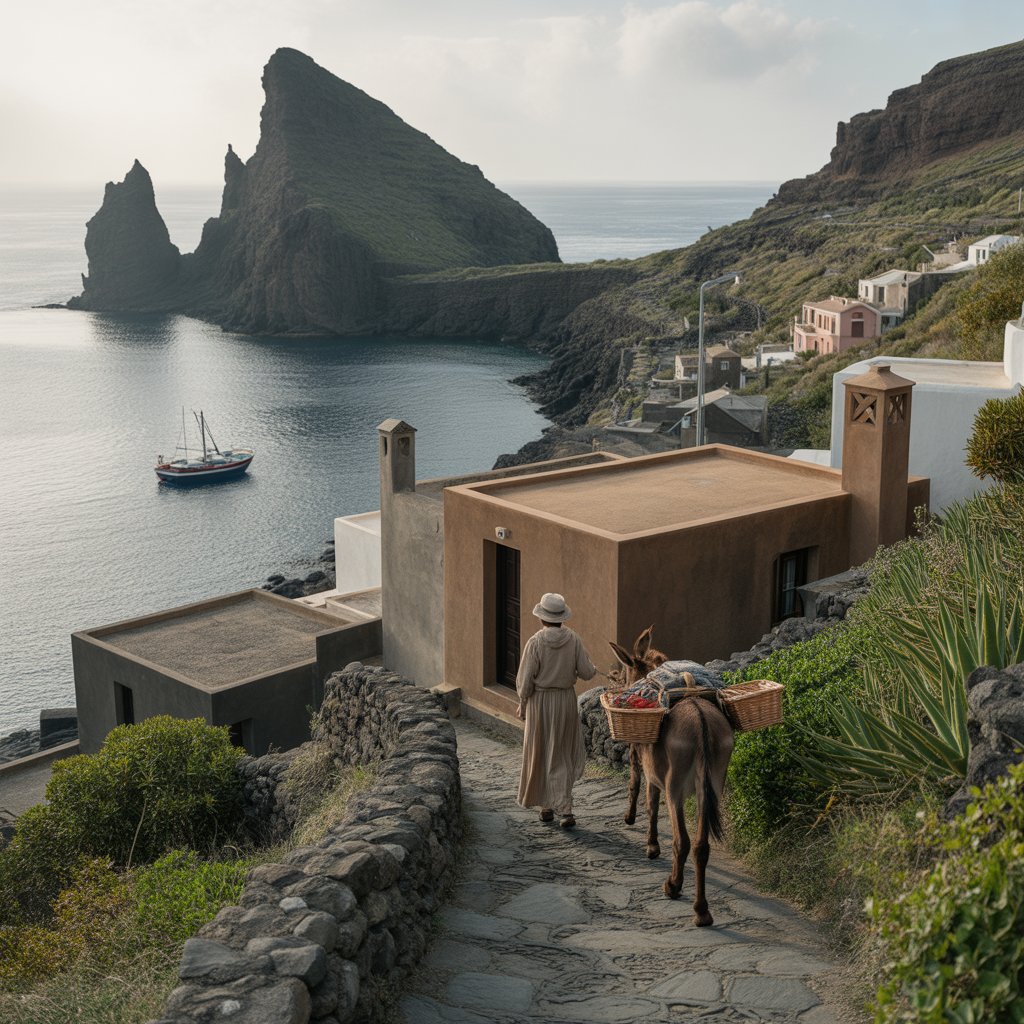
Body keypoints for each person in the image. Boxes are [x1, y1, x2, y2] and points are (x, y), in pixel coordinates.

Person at [515, 592, 597, 828]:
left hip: (540, 703)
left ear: (542, 618)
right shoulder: (574, 639)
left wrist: (522, 701)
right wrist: (594, 668)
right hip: (565, 701)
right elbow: (586, 672)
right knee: (560, 753)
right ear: (562, 617)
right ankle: (564, 809)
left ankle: (547, 807)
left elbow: (525, 680)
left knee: (542, 752)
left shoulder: (535, 642)